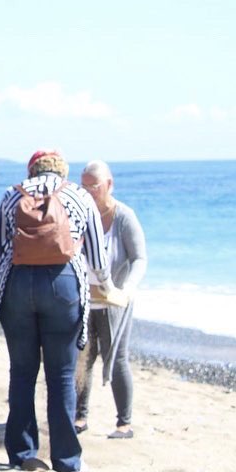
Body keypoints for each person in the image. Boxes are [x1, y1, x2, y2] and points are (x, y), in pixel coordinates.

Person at [0, 150, 114, 472]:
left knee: (21, 372)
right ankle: (67, 460)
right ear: (63, 171)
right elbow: (97, 257)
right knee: (61, 374)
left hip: (17, 284)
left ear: (31, 170)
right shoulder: (79, 195)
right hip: (63, 285)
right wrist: (108, 287)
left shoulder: (11, 195)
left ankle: (22, 454)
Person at [74, 160, 147, 439]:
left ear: (109, 184)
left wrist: (127, 288)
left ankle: (124, 423)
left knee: (116, 358)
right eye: (84, 186)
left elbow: (139, 258)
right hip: (84, 299)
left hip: (114, 301)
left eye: (95, 186)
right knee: (83, 357)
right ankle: (80, 417)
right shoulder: (80, 214)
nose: (89, 191)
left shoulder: (124, 216)